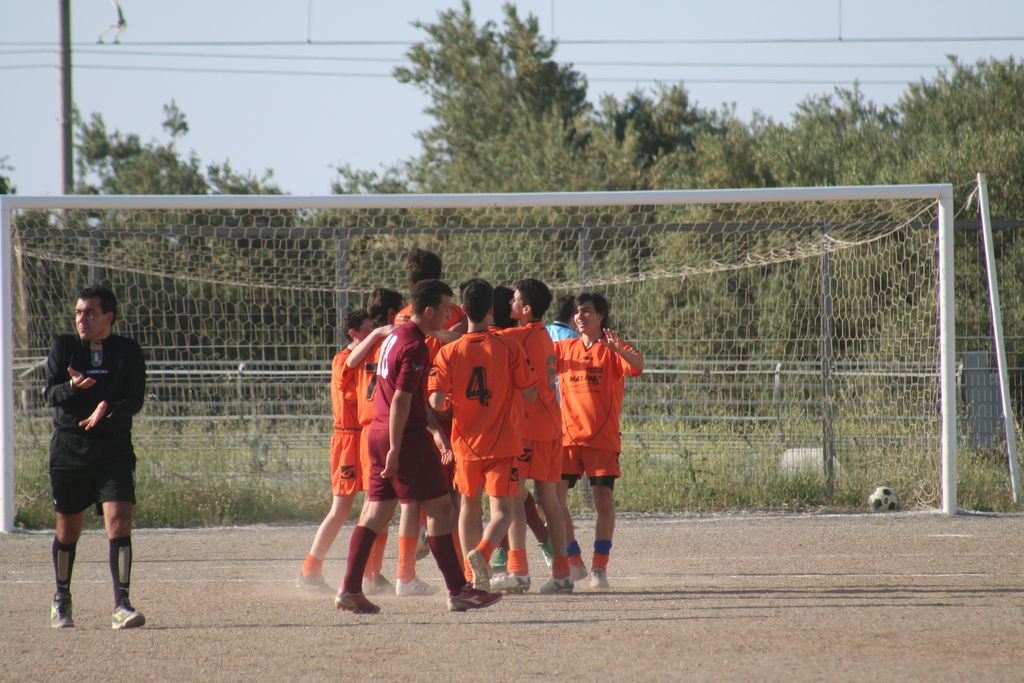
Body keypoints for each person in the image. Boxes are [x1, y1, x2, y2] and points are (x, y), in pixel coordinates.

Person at [335, 279, 502, 614]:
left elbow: (405, 395)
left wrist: (425, 434)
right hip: (404, 436)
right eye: (444, 310)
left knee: (376, 513)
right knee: (441, 509)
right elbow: (401, 399)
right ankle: (459, 590)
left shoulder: (395, 336)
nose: (448, 316)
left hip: (378, 431)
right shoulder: (415, 346)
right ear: (428, 311)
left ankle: (350, 589)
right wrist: (397, 449)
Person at [43, 285, 147, 629]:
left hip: (113, 449)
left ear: (108, 317)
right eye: (78, 312)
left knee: (120, 522)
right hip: (70, 449)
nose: (81, 319)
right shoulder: (64, 347)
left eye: (89, 312)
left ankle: (122, 605)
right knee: (68, 530)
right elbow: (50, 394)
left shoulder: (127, 351)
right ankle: (62, 598)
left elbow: (135, 400)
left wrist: (108, 408)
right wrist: (73, 387)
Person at [427, 279, 538, 591]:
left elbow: (436, 401)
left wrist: (449, 402)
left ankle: (470, 574)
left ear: (464, 309)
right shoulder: (509, 347)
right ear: (491, 310)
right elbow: (530, 393)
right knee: (503, 510)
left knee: (468, 506)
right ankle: (483, 552)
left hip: (465, 444)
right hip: (503, 442)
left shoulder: (449, 352)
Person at [346, 287, 437, 597]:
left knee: (378, 507)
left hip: (372, 430)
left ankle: (368, 576)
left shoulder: (378, 342)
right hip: (389, 426)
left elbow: (350, 361)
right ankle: (397, 573)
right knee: (402, 503)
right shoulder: (396, 341)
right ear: (391, 314)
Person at [554, 292, 644, 589]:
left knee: (603, 501)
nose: (580, 316)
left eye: (587, 311)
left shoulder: (613, 347)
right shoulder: (564, 349)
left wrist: (619, 350)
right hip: (568, 437)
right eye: (577, 312)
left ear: (601, 316)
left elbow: (638, 366)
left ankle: (599, 567)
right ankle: (574, 560)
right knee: (553, 501)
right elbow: (536, 361)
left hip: (602, 439)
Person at [490, 278, 574, 594]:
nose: (509, 303)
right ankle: (562, 574)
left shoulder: (518, 335)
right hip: (552, 425)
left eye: (514, 300)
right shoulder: (543, 335)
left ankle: (518, 570)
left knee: (512, 497)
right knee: (550, 500)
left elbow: (479, 339)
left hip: (530, 429)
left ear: (526, 309)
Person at [297, 309, 373, 592]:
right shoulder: (342, 358)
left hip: (365, 437)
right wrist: (379, 333)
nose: (372, 332)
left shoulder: (369, 358)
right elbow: (351, 364)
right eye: (367, 329)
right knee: (341, 509)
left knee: (373, 505)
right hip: (347, 439)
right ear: (354, 333)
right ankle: (309, 570)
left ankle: (368, 574)